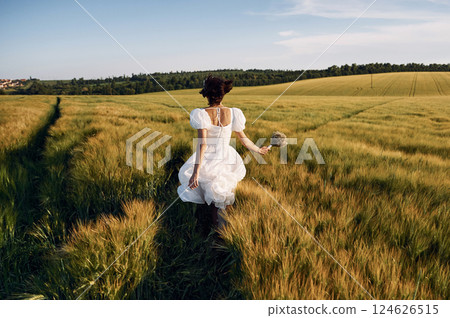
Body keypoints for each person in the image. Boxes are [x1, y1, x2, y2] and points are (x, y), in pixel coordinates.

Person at [177, 75, 270, 230]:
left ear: (206, 94)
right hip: (227, 157)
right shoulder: (234, 113)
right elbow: (244, 139)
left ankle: (216, 231)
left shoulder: (201, 114)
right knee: (224, 194)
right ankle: (227, 230)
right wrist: (258, 149)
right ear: (223, 93)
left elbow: (203, 145)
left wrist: (195, 172)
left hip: (209, 159)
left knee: (214, 198)